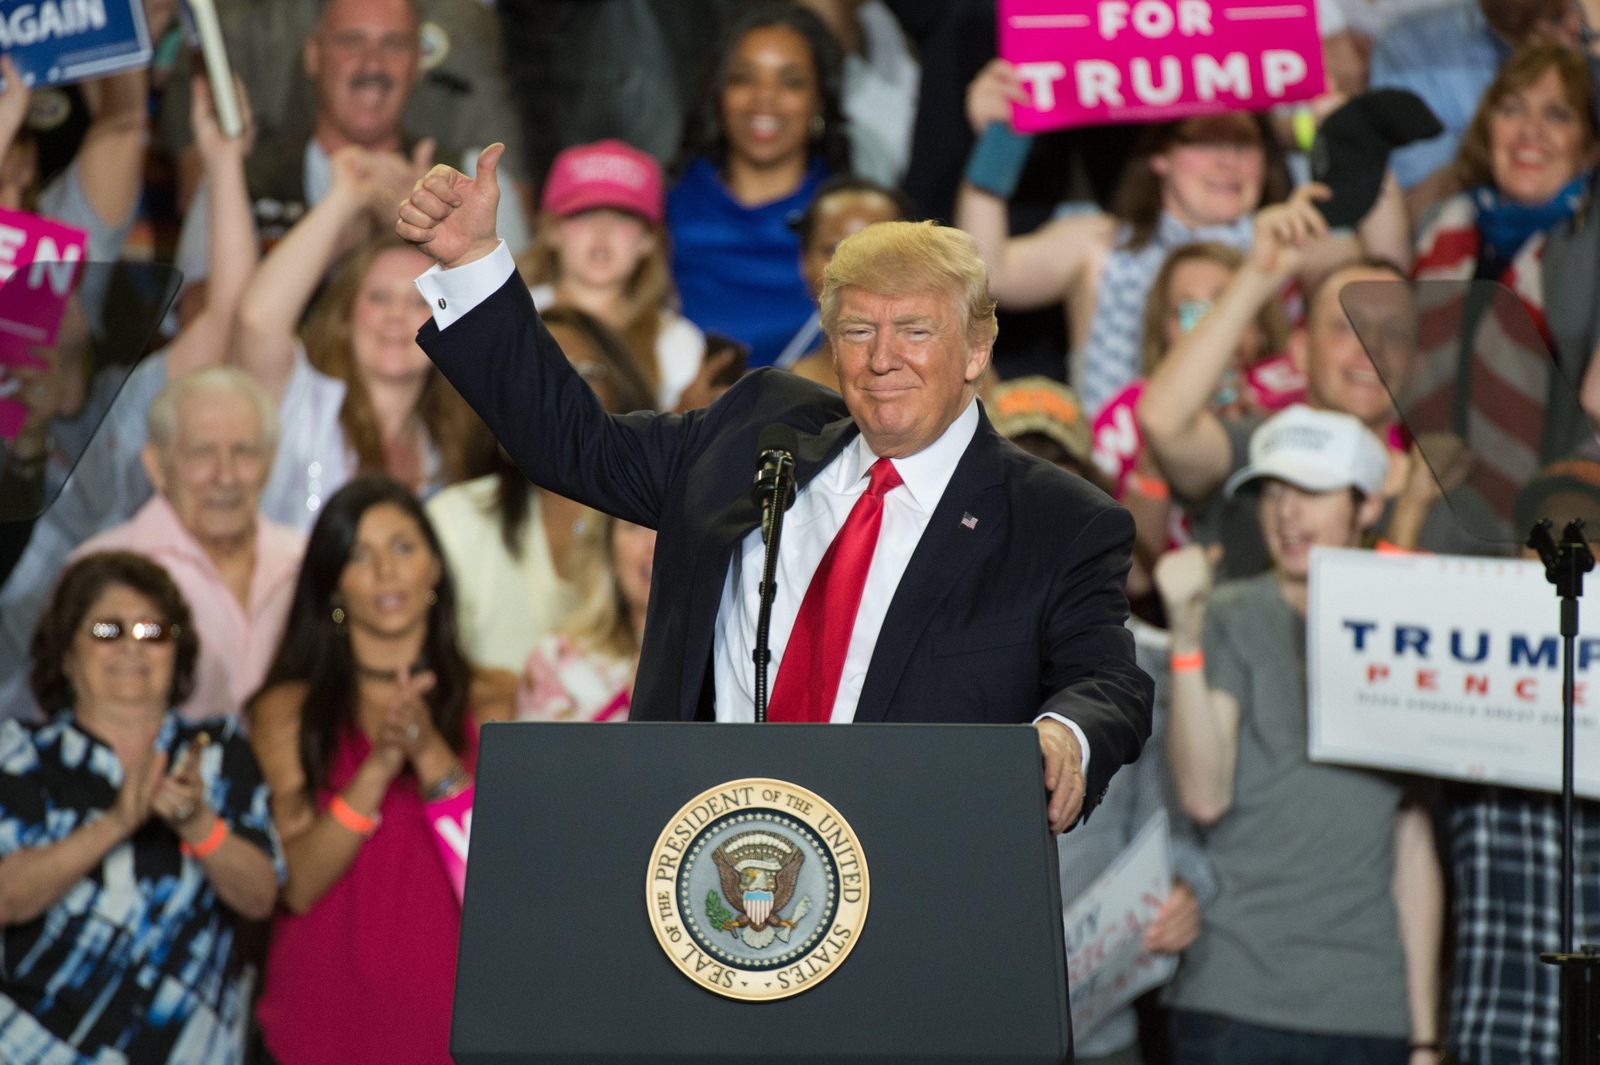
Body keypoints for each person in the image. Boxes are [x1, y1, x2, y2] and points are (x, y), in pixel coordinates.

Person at [397, 144, 1154, 832]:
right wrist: (473, 264)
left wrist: (1066, 734)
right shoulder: (754, 432)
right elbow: (570, 444)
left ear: (977, 348)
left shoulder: (1059, 521)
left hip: (906, 894)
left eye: (916, 330)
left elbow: (1107, 678)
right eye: (858, 331)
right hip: (695, 875)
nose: (883, 358)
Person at [1154, 405, 1443, 1065]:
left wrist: (1425, 1035)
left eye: (1310, 491)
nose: (1287, 512)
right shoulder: (1230, 611)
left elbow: (1411, 845)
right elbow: (1203, 794)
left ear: (1366, 506)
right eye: (1273, 491)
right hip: (1235, 994)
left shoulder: (1411, 629)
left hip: (1368, 1004)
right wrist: (1186, 634)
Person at [956, 61, 1411, 415]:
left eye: (1244, 144)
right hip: (1117, 491)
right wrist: (1000, 140)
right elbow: (989, 275)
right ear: (1160, 156)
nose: (1228, 161)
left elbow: (1386, 263)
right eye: (1205, 141)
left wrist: (1357, 138)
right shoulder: (1100, 244)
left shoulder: (1290, 243)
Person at [250, 476, 515, 1064]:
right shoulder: (286, 710)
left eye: (403, 547)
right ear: (334, 585)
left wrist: (428, 753)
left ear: (435, 569)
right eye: (359, 556)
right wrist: (381, 763)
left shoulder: (493, 695)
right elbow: (297, 883)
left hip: (457, 1023)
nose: (386, 573)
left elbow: (506, 881)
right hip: (320, 1023)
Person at [0, 551, 282, 1064]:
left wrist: (199, 825)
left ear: (178, 652)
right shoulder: (19, 753)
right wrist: (115, 824)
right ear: (65, 653)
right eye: (108, 631)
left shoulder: (218, 751)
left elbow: (261, 896)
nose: (132, 648)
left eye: (152, 633)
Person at [1137, 185, 1488, 577]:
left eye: (1393, 333)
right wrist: (1258, 275)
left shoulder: (1447, 495)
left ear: (1416, 367)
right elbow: (1162, 421)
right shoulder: (1256, 449)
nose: (1370, 347)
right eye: (1345, 327)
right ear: (1301, 352)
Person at [235, 160, 495, 527]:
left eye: (418, 302)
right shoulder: (303, 406)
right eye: (377, 298)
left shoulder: (447, 444)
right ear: (346, 317)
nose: (395, 316)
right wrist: (346, 195)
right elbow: (257, 320)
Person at [426, 306, 655, 673]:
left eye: (580, 373)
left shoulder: (662, 514)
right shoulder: (455, 519)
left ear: (621, 388)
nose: (556, 395)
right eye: (533, 379)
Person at [1411, 45, 1600, 461]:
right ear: (1487, 129)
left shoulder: (1589, 243)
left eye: (1557, 115)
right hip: (1432, 462)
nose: (1530, 131)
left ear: (1589, 147)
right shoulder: (1444, 224)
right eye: (1512, 109)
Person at [668, 2, 851, 367]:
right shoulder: (666, 207)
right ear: (719, 93)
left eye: (790, 82)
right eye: (743, 78)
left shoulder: (853, 220)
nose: (764, 99)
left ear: (819, 101)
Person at [518, 139, 705, 409]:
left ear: (648, 240)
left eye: (622, 216)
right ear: (552, 231)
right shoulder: (510, 319)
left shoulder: (678, 342)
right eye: (584, 213)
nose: (602, 231)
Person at [778, 172, 915, 387]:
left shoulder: (961, 384)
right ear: (804, 262)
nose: (852, 269)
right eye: (833, 250)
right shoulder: (770, 400)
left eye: (876, 251)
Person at [517, 514, 657, 722]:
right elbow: (532, 754)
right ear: (607, 546)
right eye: (636, 524)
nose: (654, 543)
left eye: (674, 523)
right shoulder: (554, 662)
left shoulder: (720, 659)